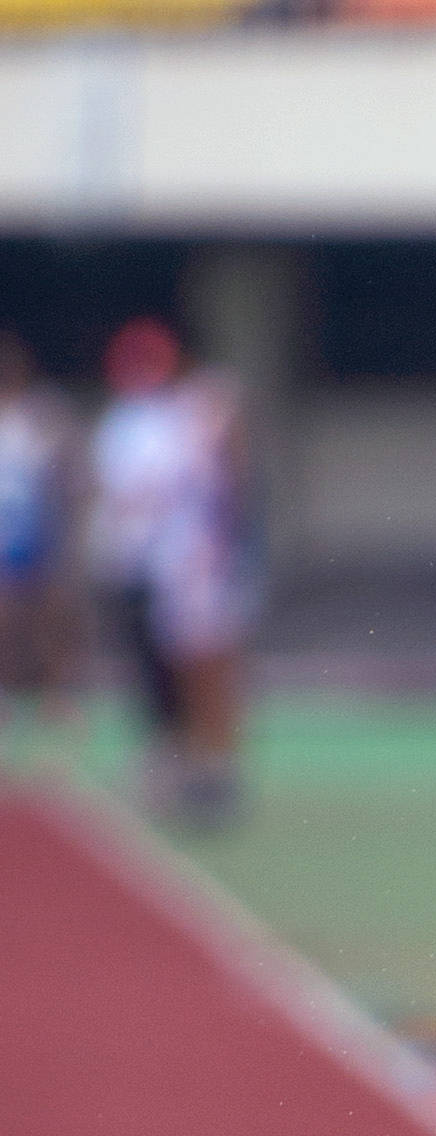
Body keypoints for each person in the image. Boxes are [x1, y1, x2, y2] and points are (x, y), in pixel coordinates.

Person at [88, 318, 256, 824]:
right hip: (151, 562)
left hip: (201, 557)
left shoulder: (199, 408)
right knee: (164, 666)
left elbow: (228, 467)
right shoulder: (131, 421)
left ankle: (218, 766)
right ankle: (184, 756)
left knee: (209, 661)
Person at [0, 333, 86, 722]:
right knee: (7, 617)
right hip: (6, 532)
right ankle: (9, 691)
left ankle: (56, 695)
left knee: (51, 616)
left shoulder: (44, 412)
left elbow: (72, 467)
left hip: (43, 529)